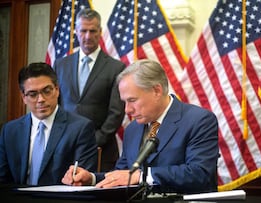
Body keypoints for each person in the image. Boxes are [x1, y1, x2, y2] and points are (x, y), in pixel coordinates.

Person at [62, 59, 219, 194]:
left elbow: (200, 174)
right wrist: (92, 178)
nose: (127, 110)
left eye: (132, 100)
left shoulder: (199, 120)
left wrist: (143, 176)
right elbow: (123, 174)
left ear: (156, 91)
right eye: (124, 102)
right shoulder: (133, 129)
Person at [0, 62, 98, 185]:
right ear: (23, 97)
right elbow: (3, 181)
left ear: (57, 90)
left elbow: (82, 180)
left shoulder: (80, 128)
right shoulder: (10, 131)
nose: (41, 99)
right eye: (33, 94)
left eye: (47, 91)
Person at [53, 8, 126, 171]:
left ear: (100, 32)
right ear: (76, 32)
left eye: (92, 31)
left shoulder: (116, 67)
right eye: (83, 30)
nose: (87, 36)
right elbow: (56, 104)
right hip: (64, 147)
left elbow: (116, 112)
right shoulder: (60, 65)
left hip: (101, 149)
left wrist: (95, 139)